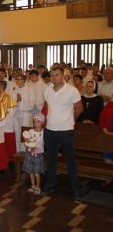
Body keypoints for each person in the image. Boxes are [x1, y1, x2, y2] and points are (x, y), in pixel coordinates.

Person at [42, 67, 83, 200]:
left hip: (66, 132)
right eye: (52, 75)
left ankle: (75, 188)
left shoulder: (72, 90)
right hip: (50, 131)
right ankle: (50, 184)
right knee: (51, 160)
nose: (54, 78)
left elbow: (79, 108)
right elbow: (48, 107)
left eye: (57, 75)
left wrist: (69, 120)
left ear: (63, 76)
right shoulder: (47, 90)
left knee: (70, 161)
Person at [22, 113, 45, 196]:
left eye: (38, 122)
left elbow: (44, 143)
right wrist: (28, 142)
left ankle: (38, 187)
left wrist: (36, 146)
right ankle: (33, 185)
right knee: (30, 171)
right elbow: (27, 141)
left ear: (42, 123)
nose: (36, 124)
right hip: (30, 154)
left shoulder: (44, 133)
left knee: (36, 172)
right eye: (34, 122)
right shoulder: (30, 131)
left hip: (38, 155)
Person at [0, 80, 18, 161]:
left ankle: (11, 159)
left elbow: (12, 110)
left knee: (9, 142)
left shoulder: (7, 97)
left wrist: (4, 119)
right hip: (0, 123)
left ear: (1, 87)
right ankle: (4, 159)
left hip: (7, 123)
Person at [15, 75, 35, 152]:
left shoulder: (29, 89)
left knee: (25, 133)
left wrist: (21, 99)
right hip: (16, 114)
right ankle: (18, 151)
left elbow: (31, 105)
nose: (18, 81)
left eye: (20, 79)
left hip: (25, 115)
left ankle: (25, 151)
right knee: (17, 134)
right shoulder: (15, 89)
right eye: (17, 79)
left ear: (24, 80)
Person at [99, 99, 113, 164]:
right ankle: (108, 159)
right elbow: (102, 117)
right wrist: (104, 128)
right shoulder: (109, 104)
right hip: (108, 132)